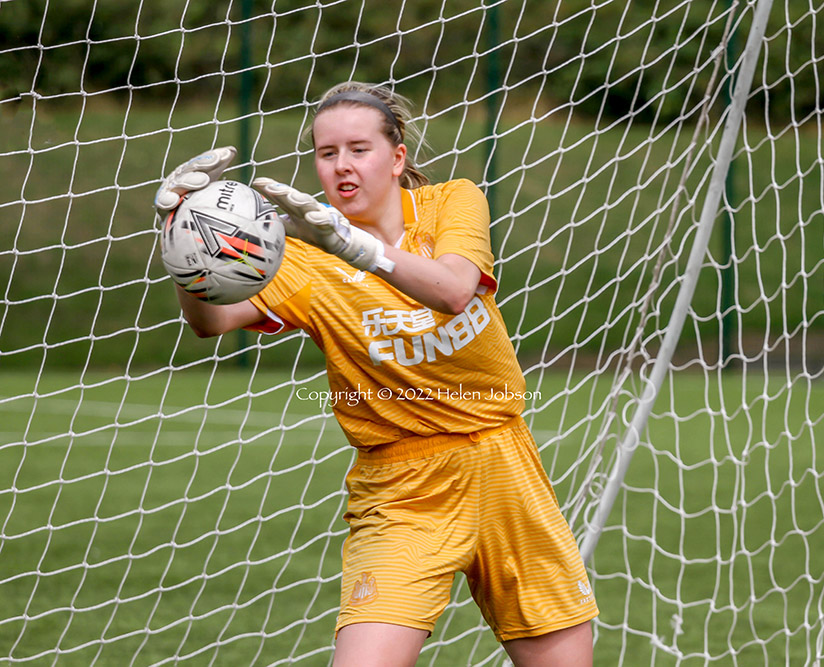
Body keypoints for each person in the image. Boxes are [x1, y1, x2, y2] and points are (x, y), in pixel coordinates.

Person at [155, 81, 599, 666]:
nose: (341, 165)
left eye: (358, 149)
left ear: (396, 157)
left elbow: (454, 290)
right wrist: (182, 242)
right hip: (403, 489)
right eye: (327, 152)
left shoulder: (451, 201)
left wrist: (355, 247)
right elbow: (210, 321)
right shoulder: (300, 256)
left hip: (504, 465)